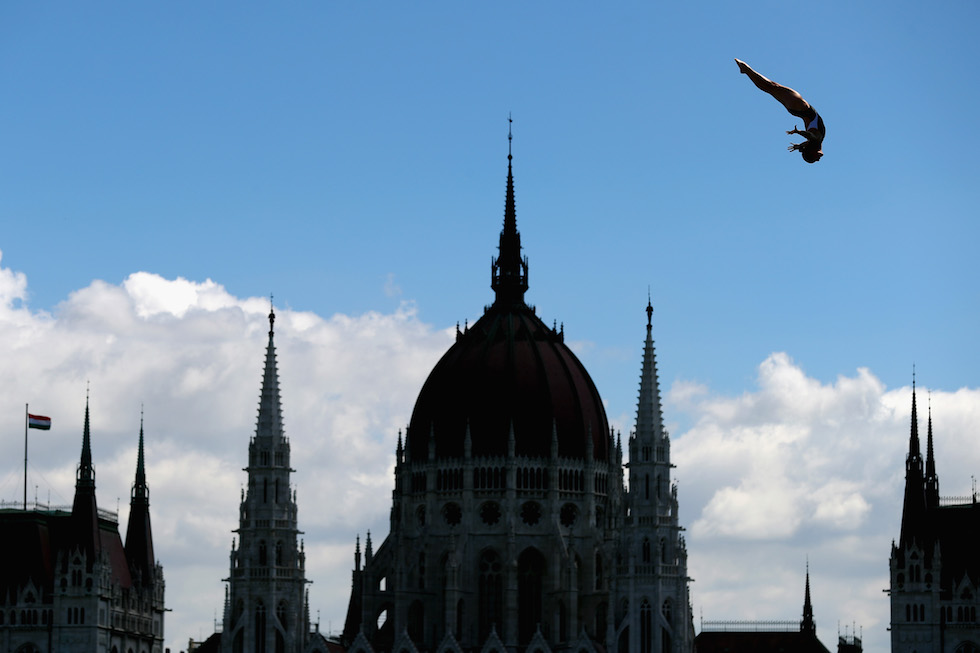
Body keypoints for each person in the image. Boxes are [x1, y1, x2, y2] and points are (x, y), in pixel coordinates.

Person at [735, 59, 825, 163]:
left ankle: (746, 70)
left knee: (772, 86)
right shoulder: (815, 142)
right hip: (796, 110)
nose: (818, 159)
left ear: (812, 151)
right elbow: (808, 141)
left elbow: (810, 136)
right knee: (771, 88)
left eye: (815, 158)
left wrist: (799, 132)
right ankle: (746, 71)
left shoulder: (817, 139)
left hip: (799, 107)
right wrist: (799, 146)